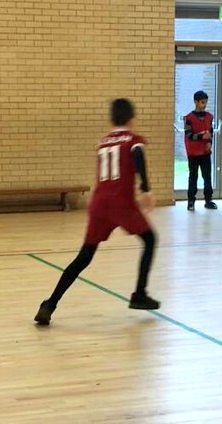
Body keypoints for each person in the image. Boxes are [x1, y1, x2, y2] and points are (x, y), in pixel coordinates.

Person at [34, 98, 159, 326]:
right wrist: (146, 188)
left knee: (84, 257)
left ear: (111, 118)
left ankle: (49, 304)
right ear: (132, 118)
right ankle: (139, 294)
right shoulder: (133, 140)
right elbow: (138, 155)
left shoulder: (103, 142)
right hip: (121, 203)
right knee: (150, 239)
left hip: (99, 203)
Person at [183, 90, 217, 211]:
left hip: (205, 152)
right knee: (193, 176)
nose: (204, 105)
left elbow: (210, 132)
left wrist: (209, 142)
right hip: (193, 152)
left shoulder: (209, 116)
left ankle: (208, 200)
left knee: (207, 176)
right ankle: (191, 201)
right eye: (202, 102)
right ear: (196, 102)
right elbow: (188, 134)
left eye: (206, 102)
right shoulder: (188, 118)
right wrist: (202, 136)